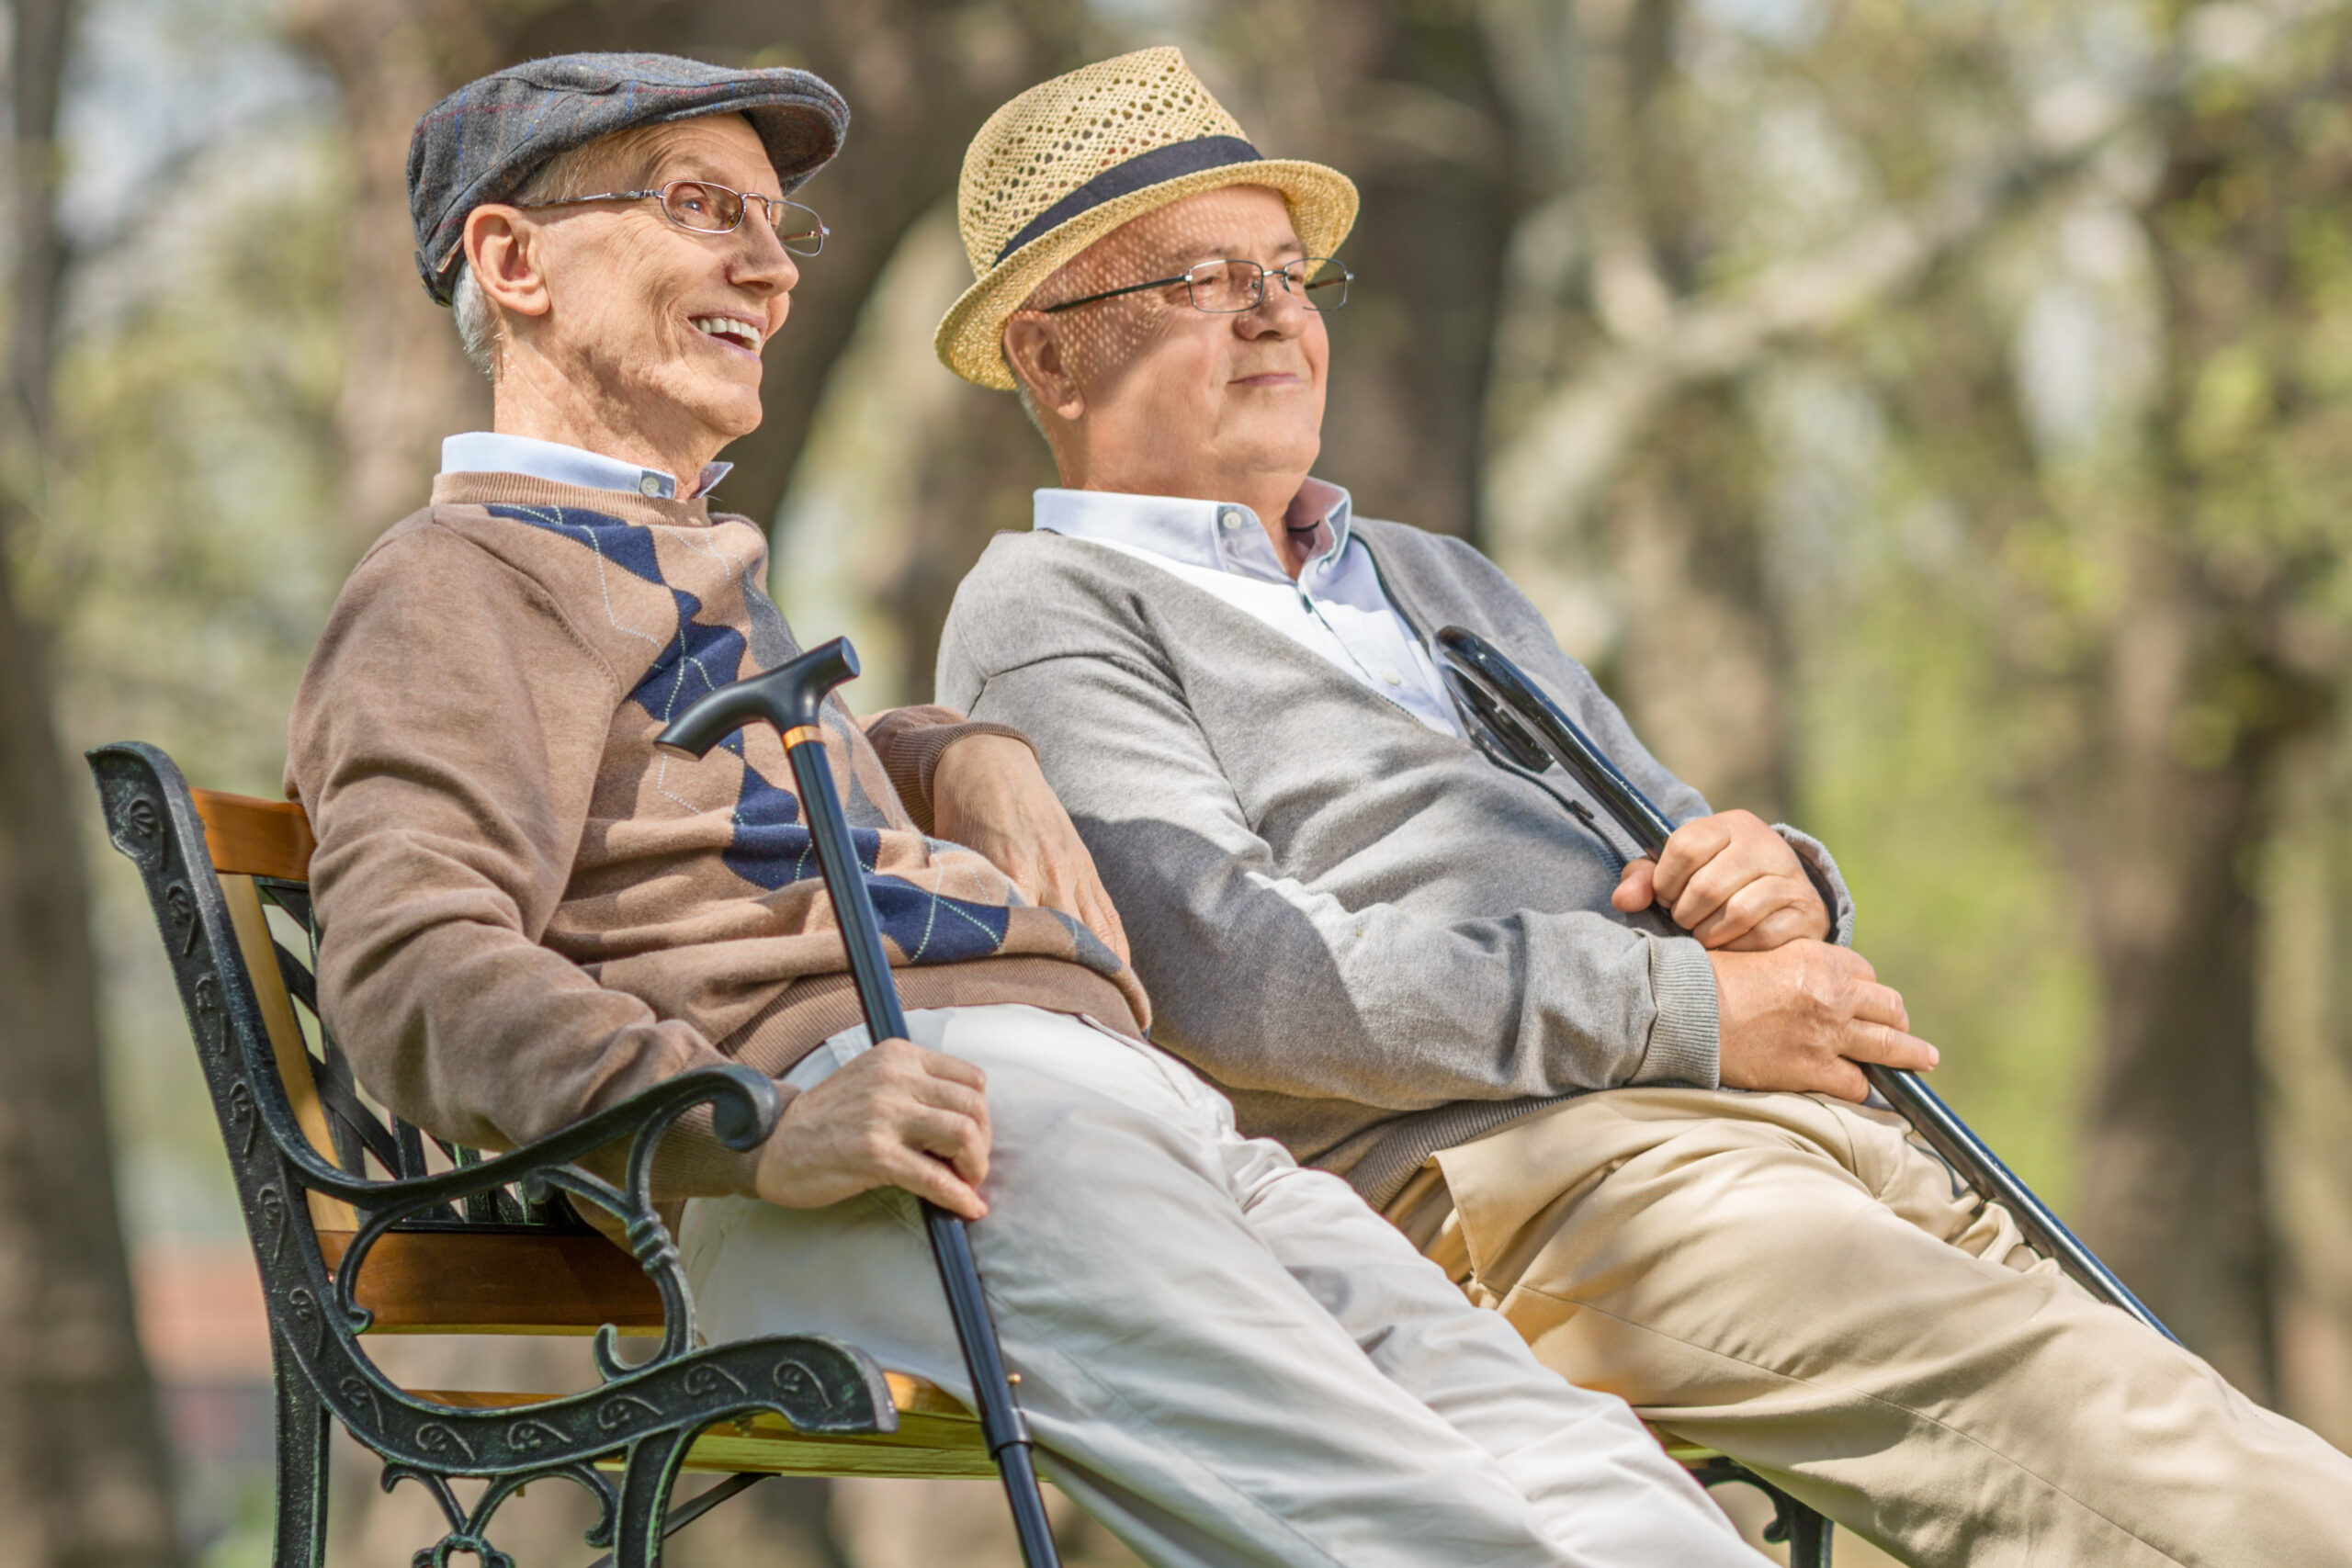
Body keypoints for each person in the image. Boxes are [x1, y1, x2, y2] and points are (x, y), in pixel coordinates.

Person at [287, 50, 1761, 1568]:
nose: (764, 267)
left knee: (1575, 1461)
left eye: (775, 225)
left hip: (1117, 1109)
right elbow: (408, 964)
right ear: (513, 259)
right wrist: (750, 1126)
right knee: (1407, 1514)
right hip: (887, 1147)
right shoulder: (450, 586)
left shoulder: (673, 556)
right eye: (694, 207)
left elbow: (728, 800)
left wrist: (952, 748)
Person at [932, 46, 2352, 1568]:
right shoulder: (1047, 610)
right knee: (2119, 1447)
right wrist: (1693, 1006)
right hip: (1513, 1186)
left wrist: (1769, 882)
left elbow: (1660, 831)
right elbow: (1243, 980)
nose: (1276, 310)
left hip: (1778, 1134)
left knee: (2161, 1419)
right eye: (1201, 281)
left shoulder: (1430, 571)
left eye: (1287, 271)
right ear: (1052, 359)